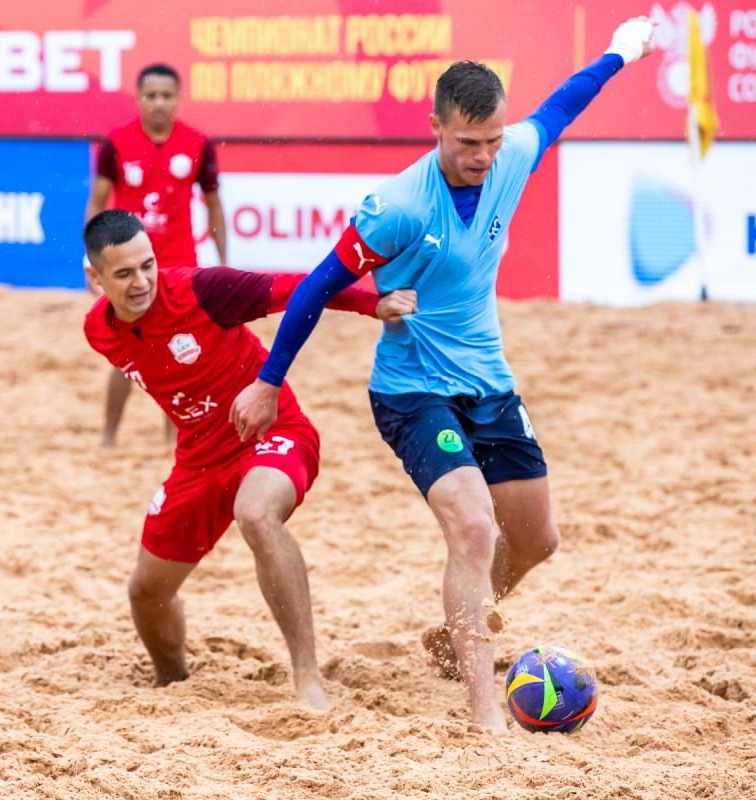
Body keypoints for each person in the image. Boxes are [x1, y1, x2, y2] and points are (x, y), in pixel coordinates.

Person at [230, 19, 657, 732]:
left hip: (489, 381)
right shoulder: (398, 206)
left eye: (491, 140)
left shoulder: (511, 155)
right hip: (412, 390)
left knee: (538, 540)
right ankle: (485, 710)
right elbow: (313, 287)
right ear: (435, 128)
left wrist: (621, 50)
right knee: (473, 525)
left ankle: (458, 627)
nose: (483, 156)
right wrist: (270, 381)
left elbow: (563, 104)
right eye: (466, 142)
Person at [83, 210, 417, 710]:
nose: (142, 282)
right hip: (197, 460)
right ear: (96, 277)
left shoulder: (201, 290)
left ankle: (307, 678)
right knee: (146, 592)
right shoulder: (98, 330)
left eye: (148, 265)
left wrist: (373, 304)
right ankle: (173, 684)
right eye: (125, 273)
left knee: (256, 514)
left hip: (272, 433)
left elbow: (301, 287)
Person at [86, 63, 227, 449]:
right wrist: (92, 260)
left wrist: (222, 262)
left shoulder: (197, 143)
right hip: (126, 265)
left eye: (166, 95)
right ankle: (109, 438)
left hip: (180, 265)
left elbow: (214, 206)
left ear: (179, 98)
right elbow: (97, 201)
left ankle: (173, 440)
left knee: (183, 352)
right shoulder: (117, 142)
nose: (159, 103)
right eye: (151, 95)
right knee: (126, 354)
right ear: (138, 98)